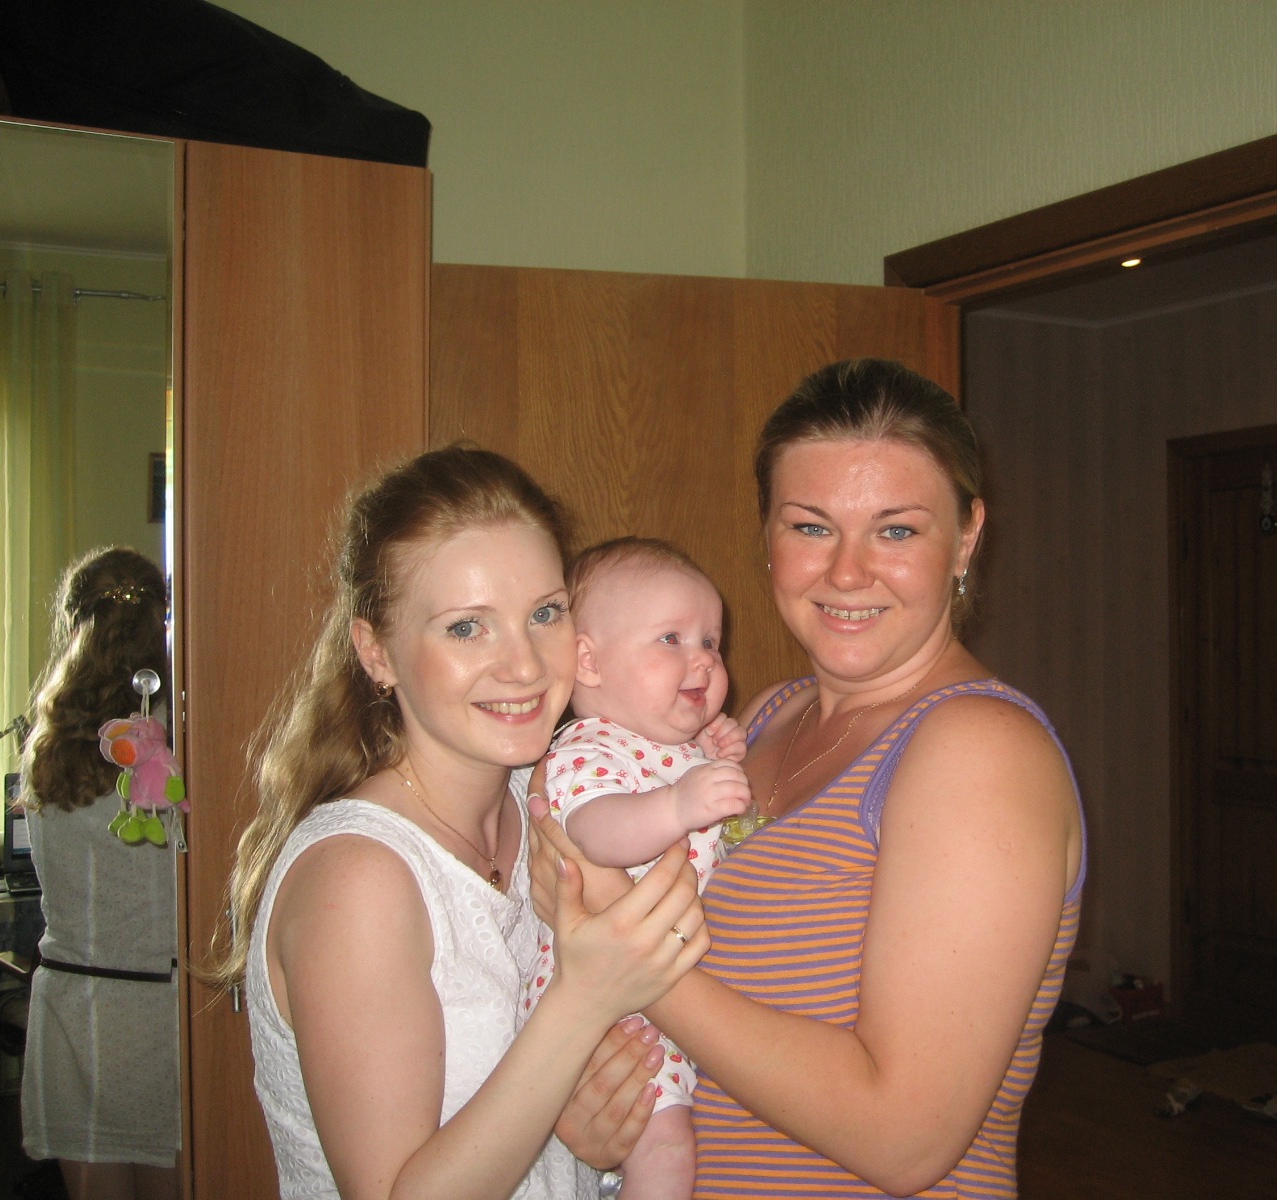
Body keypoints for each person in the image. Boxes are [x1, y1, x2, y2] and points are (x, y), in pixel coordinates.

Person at [529, 358, 1086, 1198]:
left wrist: (622, 956)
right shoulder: (758, 720)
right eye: (811, 527)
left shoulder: (979, 751)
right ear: (766, 534)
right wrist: (594, 1103)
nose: (848, 572)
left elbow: (904, 1138)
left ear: (967, 537)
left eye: (896, 531)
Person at [209, 446, 708, 1200]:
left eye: (544, 613)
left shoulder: (551, 805)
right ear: (376, 653)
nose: (525, 665)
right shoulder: (359, 878)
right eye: (467, 628)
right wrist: (584, 1001)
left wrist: (577, 1132)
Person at [532, 538, 750, 1200]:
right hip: (613, 1008)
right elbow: (593, 834)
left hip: (662, 993)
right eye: (671, 639)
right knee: (666, 1149)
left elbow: (725, 834)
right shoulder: (586, 748)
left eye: (710, 641)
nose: (704, 658)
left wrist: (718, 759)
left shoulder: (672, 751)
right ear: (589, 663)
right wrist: (678, 804)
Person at [19, 546, 180, 1200]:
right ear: (162, 621)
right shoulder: (179, 738)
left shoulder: (46, 745)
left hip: (74, 1011)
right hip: (158, 1012)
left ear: (73, 623)